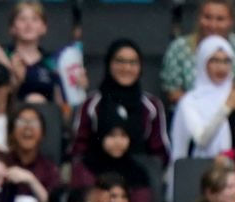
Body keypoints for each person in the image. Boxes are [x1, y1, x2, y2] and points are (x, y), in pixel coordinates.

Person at [71, 38, 169, 168]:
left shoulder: (152, 106)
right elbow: (79, 148)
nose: (126, 68)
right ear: (109, 64)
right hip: (98, 178)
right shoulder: (91, 104)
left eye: (133, 62)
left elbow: (160, 153)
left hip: (139, 178)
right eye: (120, 61)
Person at [160, 0, 235, 107]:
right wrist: (211, 106)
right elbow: (173, 92)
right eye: (207, 17)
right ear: (198, 18)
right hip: (194, 113)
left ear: (231, 21)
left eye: (220, 19)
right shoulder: (179, 48)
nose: (213, 25)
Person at [170, 36, 235, 163]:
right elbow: (201, 139)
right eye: (214, 61)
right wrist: (226, 107)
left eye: (226, 61)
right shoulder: (190, 101)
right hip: (203, 168)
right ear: (203, 62)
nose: (221, 67)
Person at [72, 109, 154, 202]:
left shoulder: (137, 173)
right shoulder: (85, 168)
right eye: (112, 135)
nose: (118, 142)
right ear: (101, 136)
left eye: (123, 136)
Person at [5, 1, 68, 115]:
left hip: (47, 124)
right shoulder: (3, 57)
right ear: (12, 27)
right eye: (22, 19)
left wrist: (76, 89)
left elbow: (63, 108)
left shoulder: (52, 64)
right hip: (10, 120)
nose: (28, 24)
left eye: (35, 19)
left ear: (43, 27)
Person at [5, 105, 61, 196]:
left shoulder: (50, 170)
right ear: (12, 133)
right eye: (21, 122)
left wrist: (31, 180)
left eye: (34, 123)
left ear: (42, 134)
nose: (27, 127)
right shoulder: (2, 163)